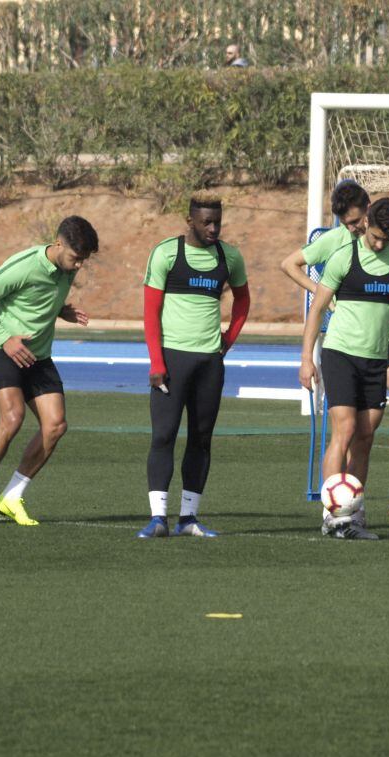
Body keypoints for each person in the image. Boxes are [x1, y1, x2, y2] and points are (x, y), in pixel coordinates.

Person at [300, 198, 389, 539]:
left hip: (376, 358)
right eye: (376, 236)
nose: (380, 244)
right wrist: (307, 357)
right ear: (367, 221)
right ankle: (332, 515)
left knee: (365, 437)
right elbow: (318, 309)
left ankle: (352, 515)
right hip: (340, 354)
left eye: (387, 238)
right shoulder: (344, 258)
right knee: (346, 428)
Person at [281, 180, 389, 499]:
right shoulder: (337, 242)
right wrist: (324, 294)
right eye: (349, 223)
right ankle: (336, 506)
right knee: (345, 429)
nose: (355, 228)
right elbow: (289, 265)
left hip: (383, 340)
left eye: (358, 220)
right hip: (345, 342)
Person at [0, 216, 99, 526]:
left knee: (56, 425)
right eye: (76, 258)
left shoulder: (65, 269)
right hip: (5, 352)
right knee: (12, 419)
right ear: (58, 243)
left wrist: (60, 310)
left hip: (39, 358)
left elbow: (39, 299)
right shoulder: (25, 264)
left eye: (84, 260)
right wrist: (5, 339)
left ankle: (12, 496)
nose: (78, 266)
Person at [138, 194, 251, 538]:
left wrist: (226, 342)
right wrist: (156, 362)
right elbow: (150, 312)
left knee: (201, 439)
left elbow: (243, 301)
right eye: (206, 222)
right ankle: (158, 518)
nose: (214, 228)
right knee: (164, 436)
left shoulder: (229, 257)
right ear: (190, 221)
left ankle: (188, 518)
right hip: (171, 360)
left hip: (209, 364)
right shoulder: (166, 254)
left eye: (218, 221)